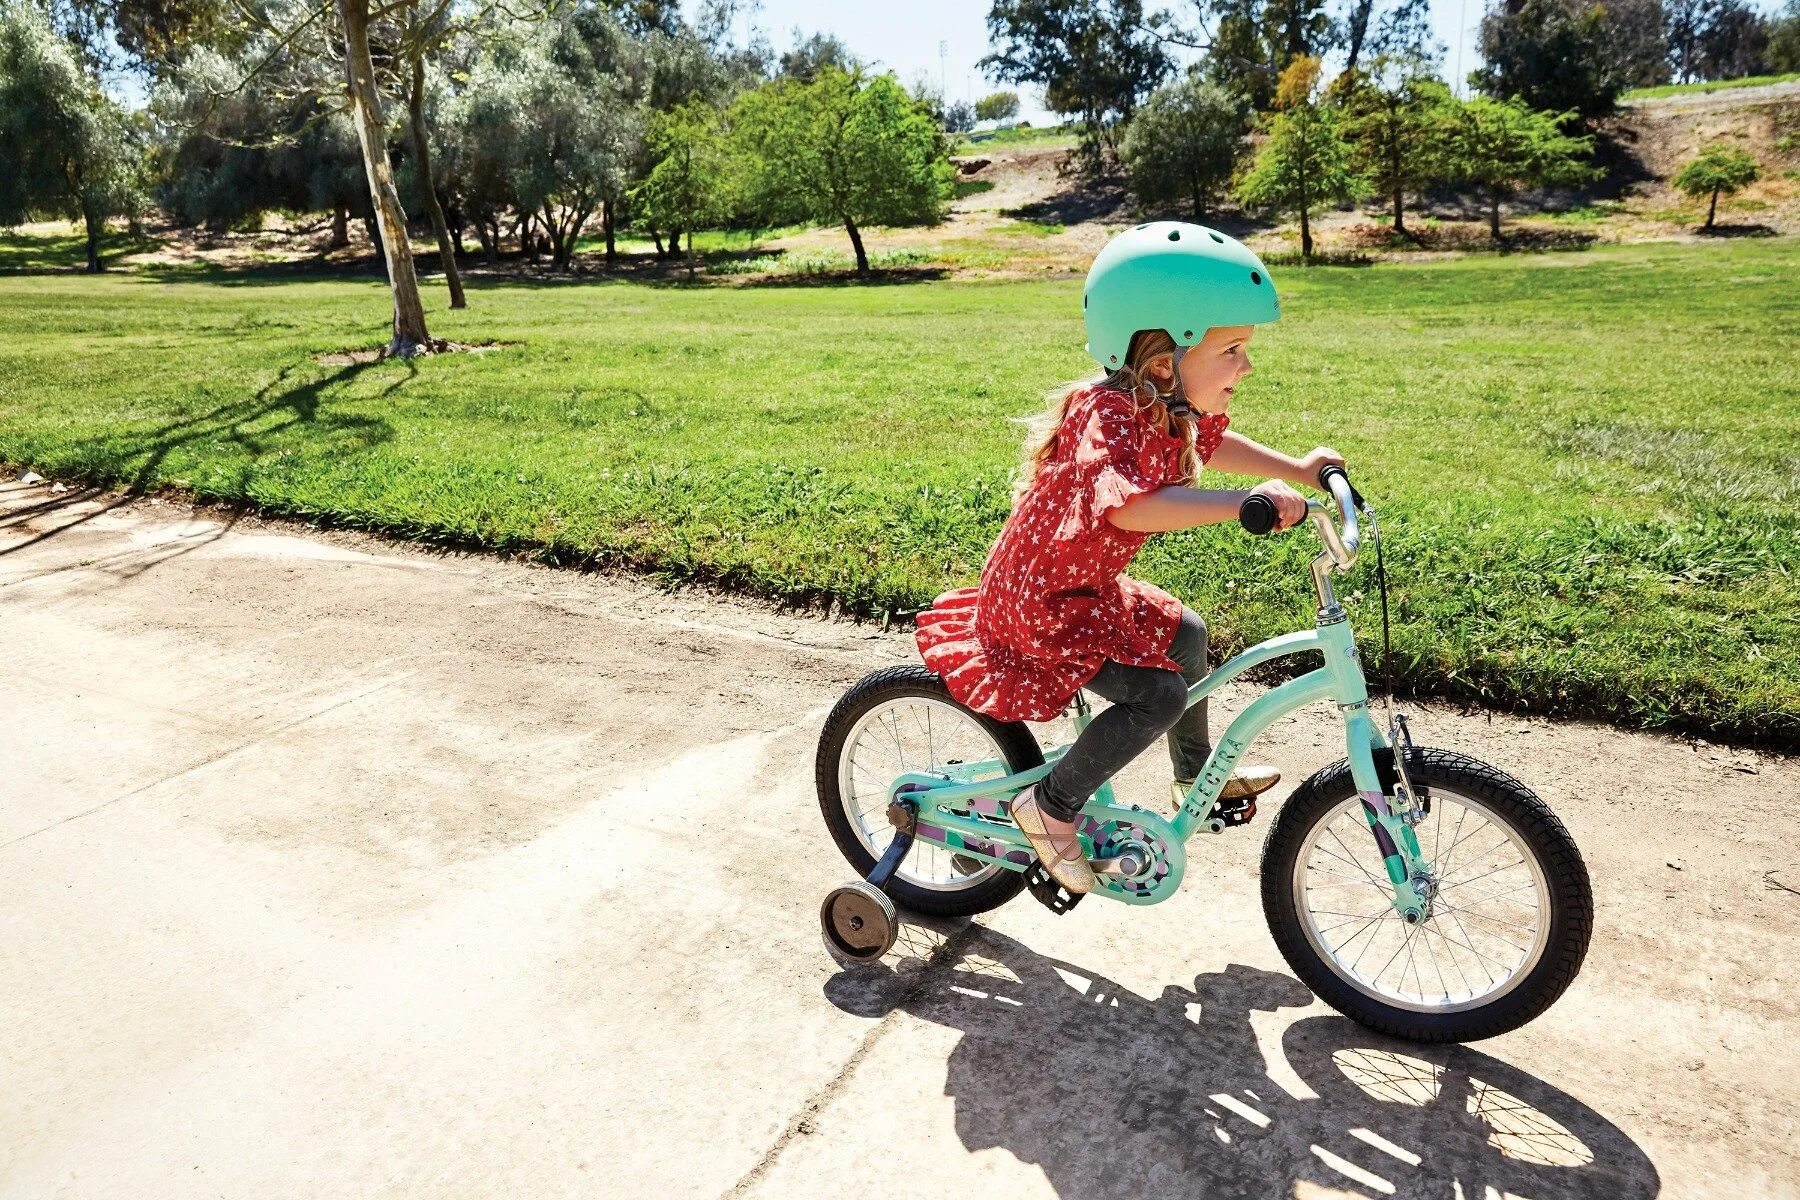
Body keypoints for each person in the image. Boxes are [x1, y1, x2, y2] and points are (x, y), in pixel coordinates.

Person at [914, 221, 1344, 895]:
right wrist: (1240, 504)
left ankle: (1192, 775)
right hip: (1039, 600)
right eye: (1231, 349)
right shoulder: (1105, 411)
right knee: (1158, 694)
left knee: (1189, 635)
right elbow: (1128, 506)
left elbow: (1208, 443)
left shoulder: (1162, 406)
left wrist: (1299, 468)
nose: (1247, 366)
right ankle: (1049, 808)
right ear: (1165, 360)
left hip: (1081, 585)